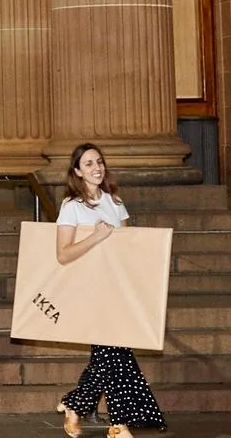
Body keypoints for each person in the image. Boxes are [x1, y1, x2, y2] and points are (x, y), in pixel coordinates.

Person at [53, 142, 167, 438]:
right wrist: (97, 237)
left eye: (99, 162)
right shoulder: (71, 206)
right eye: (89, 163)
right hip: (89, 290)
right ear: (77, 171)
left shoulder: (115, 202)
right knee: (114, 353)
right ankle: (118, 425)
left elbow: (127, 247)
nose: (96, 168)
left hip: (116, 289)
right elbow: (63, 254)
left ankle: (75, 404)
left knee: (109, 354)